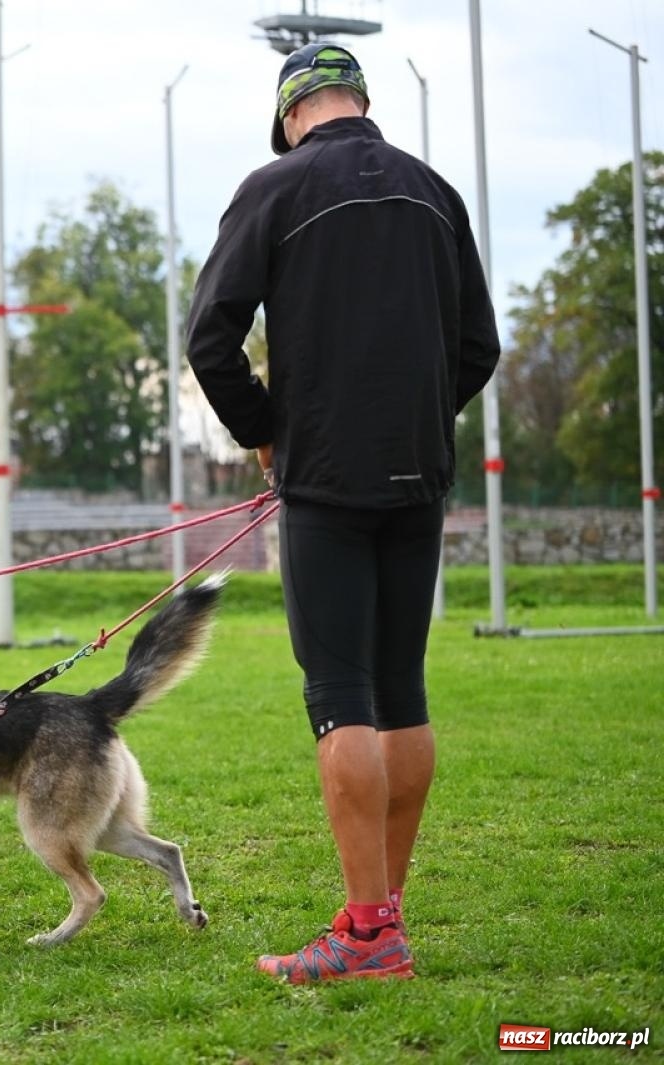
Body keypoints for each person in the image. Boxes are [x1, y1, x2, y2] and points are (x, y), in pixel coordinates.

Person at [185, 42, 500, 982]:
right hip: (418, 472)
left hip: (325, 476)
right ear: (360, 102)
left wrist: (267, 432)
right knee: (402, 689)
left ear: (290, 116)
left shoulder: (274, 186)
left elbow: (210, 338)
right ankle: (384, 917)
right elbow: (478, 345)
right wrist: (410, 419)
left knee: (341, 698)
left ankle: (368, 933)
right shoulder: (435, 190)